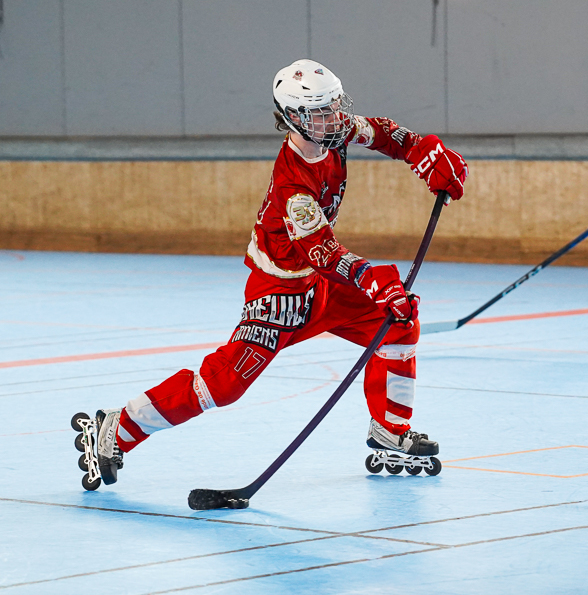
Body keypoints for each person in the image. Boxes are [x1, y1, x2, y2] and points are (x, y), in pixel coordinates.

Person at [73, 59, 468, 488]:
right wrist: (372, 279)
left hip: (319, 284)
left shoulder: (333, 130)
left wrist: (423, 151)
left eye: (335, 104)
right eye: (320, 111)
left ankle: (390, 432)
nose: (334, 116)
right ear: (293, 119)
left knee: (397, 321)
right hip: (278, 291)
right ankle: (118, 428)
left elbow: (385, 133)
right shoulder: (291, 186)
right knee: (222, 385)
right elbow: (323, 252)